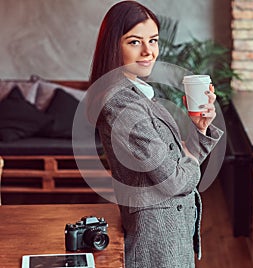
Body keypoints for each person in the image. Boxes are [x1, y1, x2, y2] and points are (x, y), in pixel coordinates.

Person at [87, 1, 223, 267]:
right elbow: (173, 181)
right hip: (157, 241)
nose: (149, 52)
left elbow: (171, 162)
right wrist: (190, 165)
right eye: (135, 42)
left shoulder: (139, 93)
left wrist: (201, 128)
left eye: (153, 40)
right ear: (114, 45)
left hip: (170, 234)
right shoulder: (122, 104)